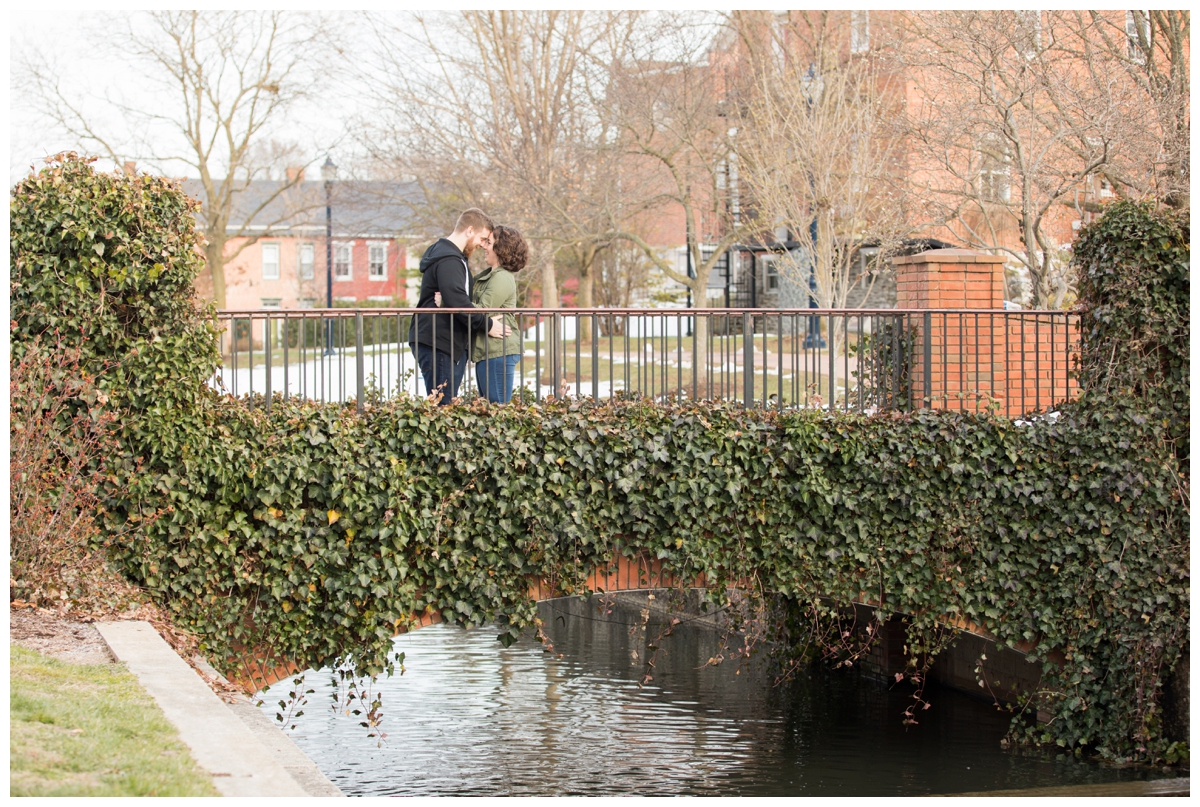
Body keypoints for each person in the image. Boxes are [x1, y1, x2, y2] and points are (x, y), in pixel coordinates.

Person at [407, 208, 510, 404]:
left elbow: (454, 298)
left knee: (443, 406)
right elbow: (457, 300)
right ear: (469, 230)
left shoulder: (448, 255)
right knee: (443, 408)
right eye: (482, 238)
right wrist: (487, 324)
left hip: (441, 340)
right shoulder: (450, 260)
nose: (482, 245)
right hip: (440, 341)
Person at [471, 225, 527, 403]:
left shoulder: (502, 277)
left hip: (498, 351)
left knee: (497, 412)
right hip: (489, 350)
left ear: (501, 248)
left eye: (489, 242)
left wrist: (447, 303)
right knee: (489, 411)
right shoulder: (491, 275)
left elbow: (482, 309)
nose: (484, 247)